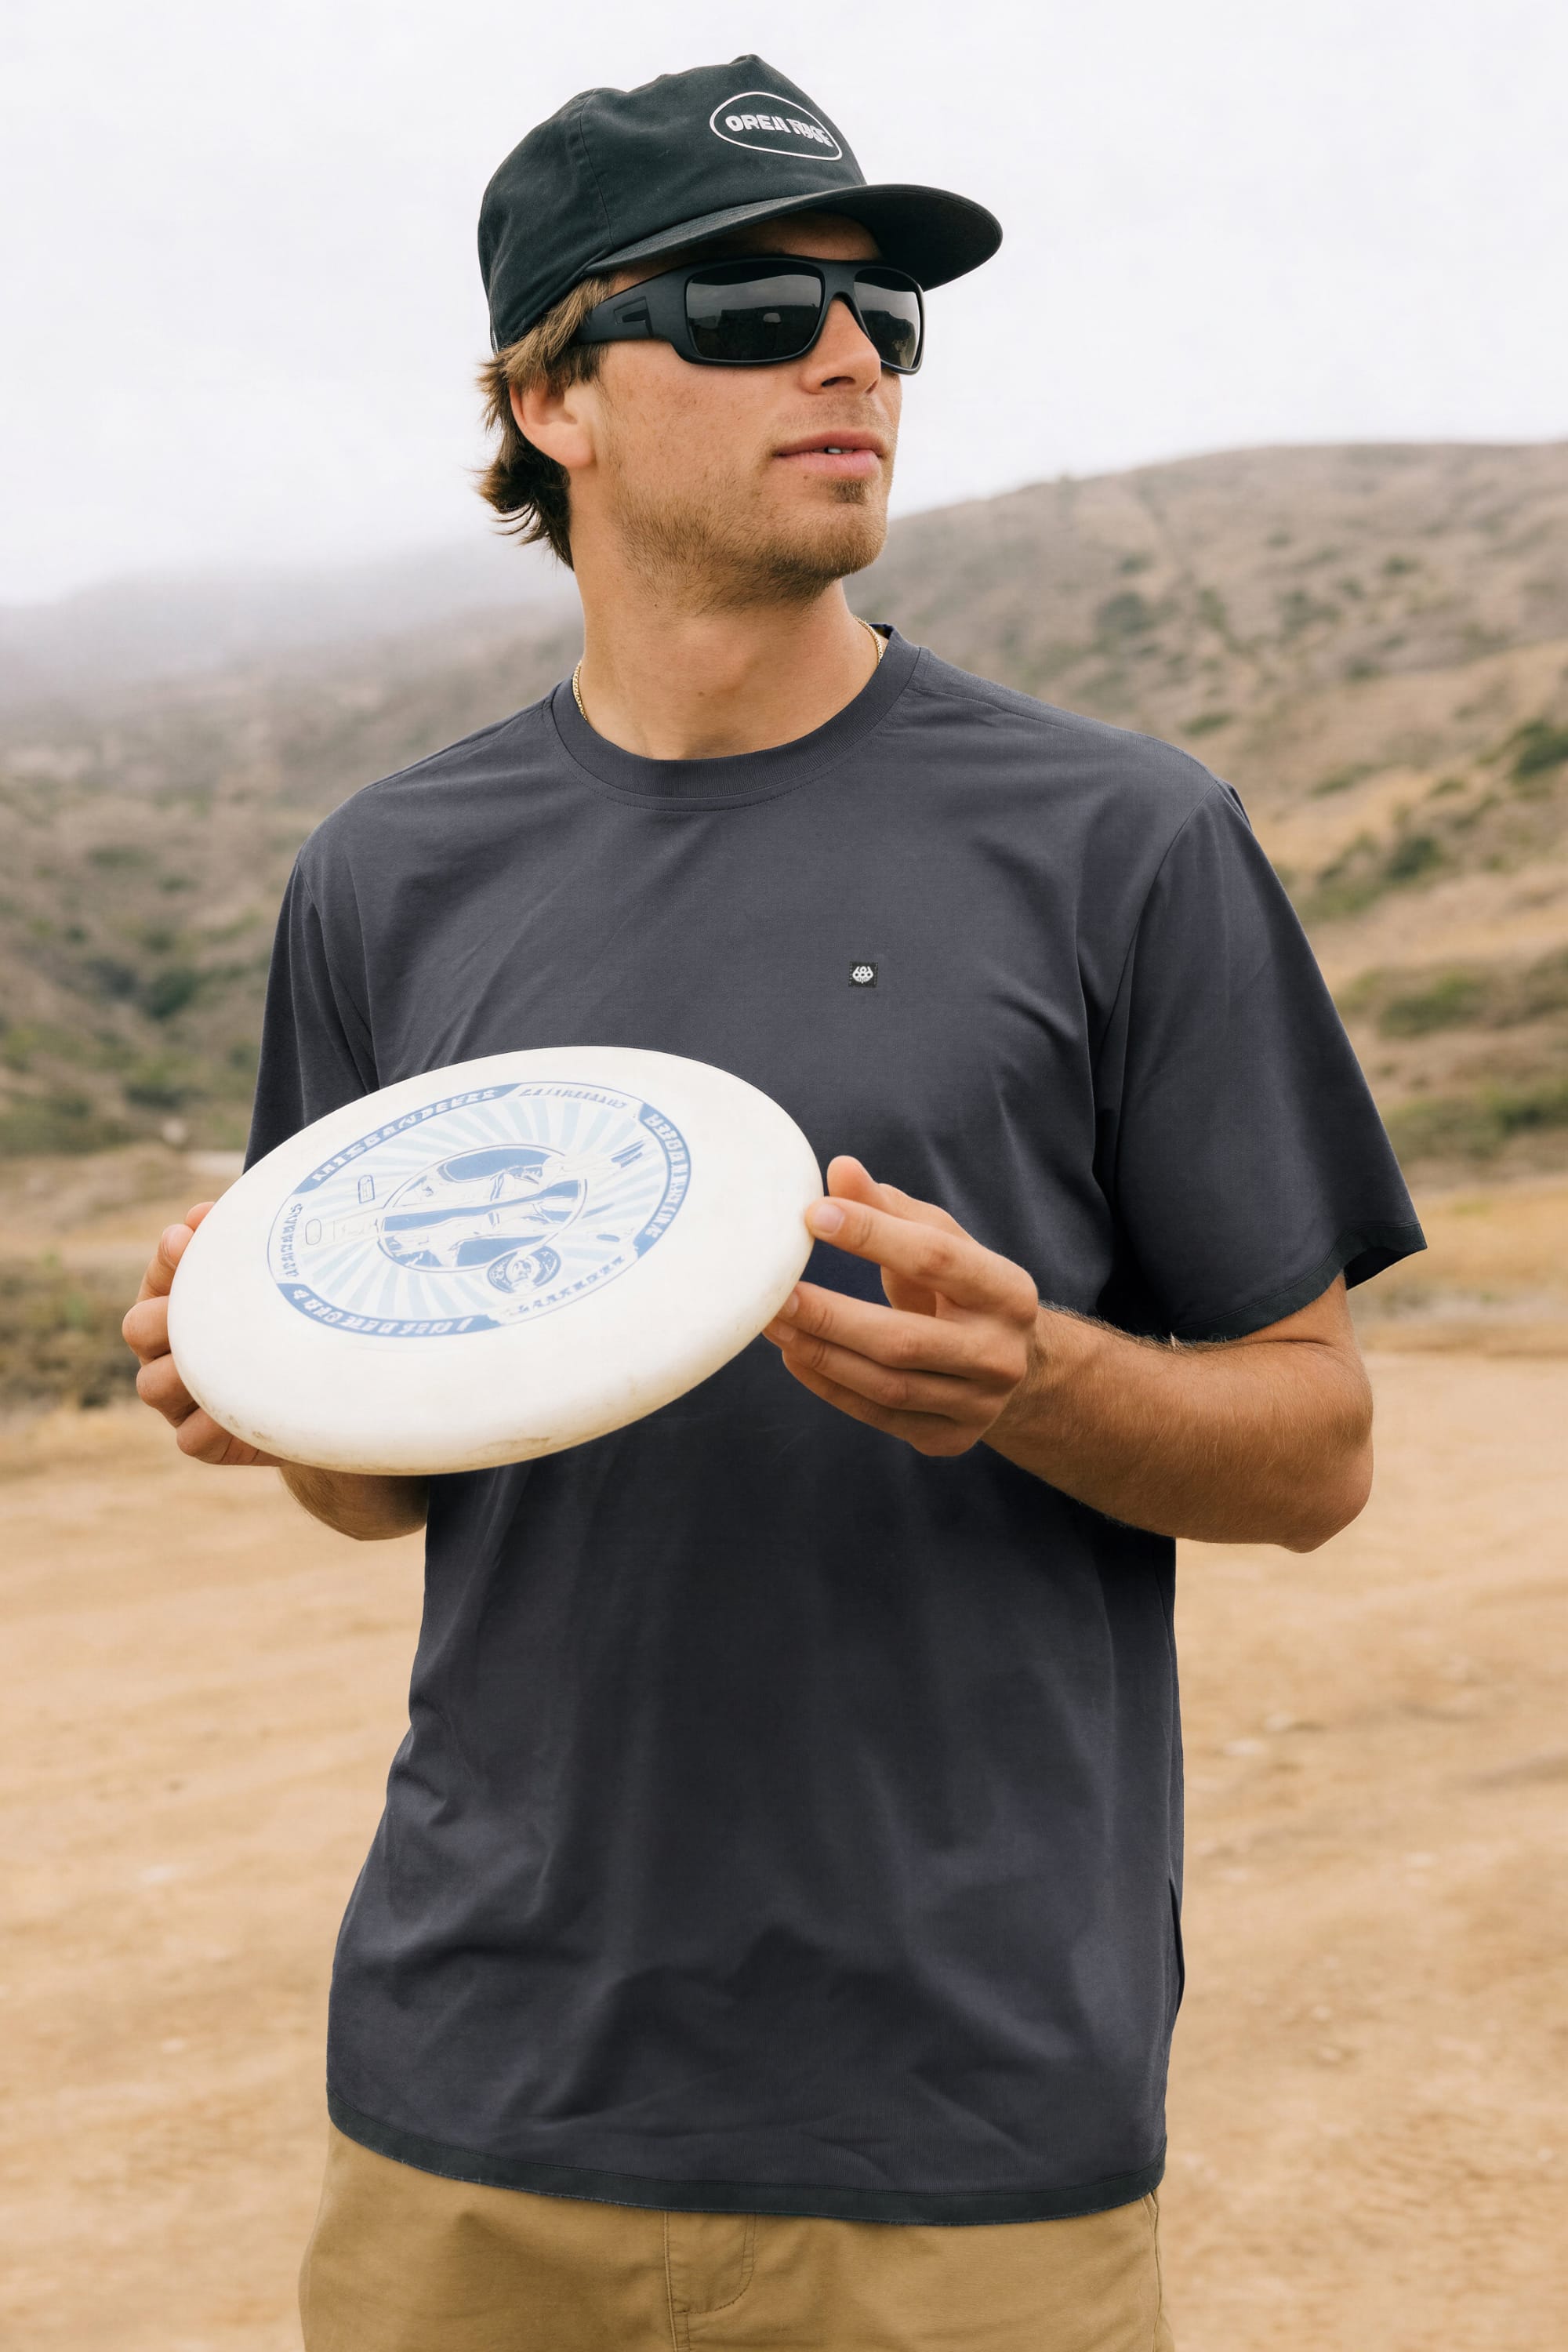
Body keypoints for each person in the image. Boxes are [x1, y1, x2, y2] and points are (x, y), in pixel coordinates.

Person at [123, 54, 1425, 2352]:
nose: (849, 357)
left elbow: (1314, 1453)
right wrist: (260, 1386)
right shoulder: (388, 878)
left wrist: (1034, 1379)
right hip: (475, 2099)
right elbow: (382, 1493)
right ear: (555, 401)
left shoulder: (1124, 839)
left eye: (884, 319)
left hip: (964, 2122)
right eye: (748, 310)